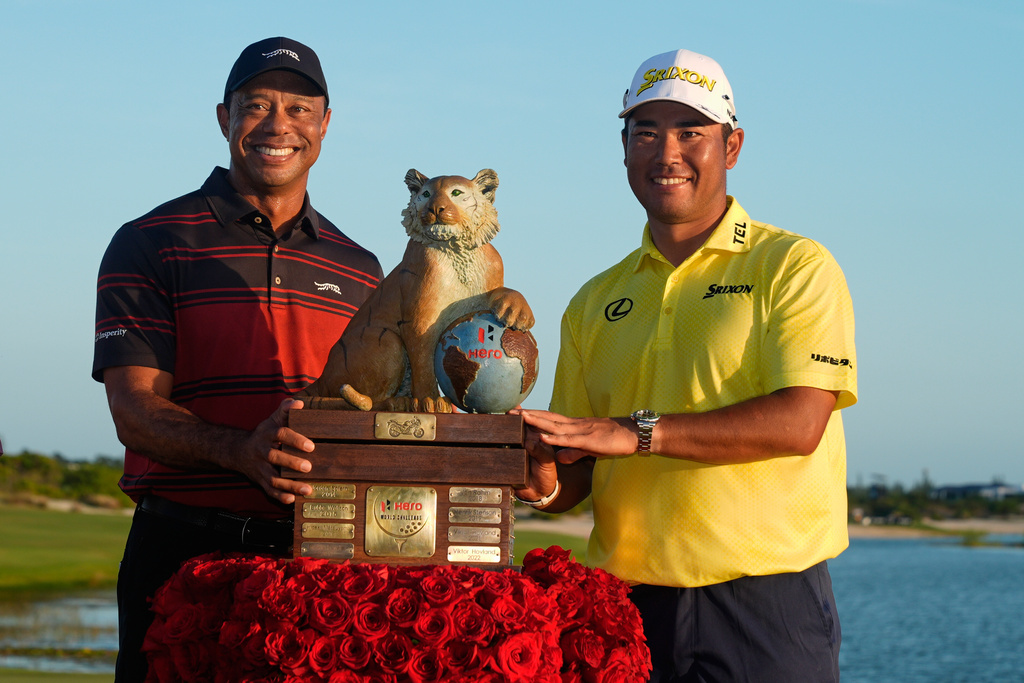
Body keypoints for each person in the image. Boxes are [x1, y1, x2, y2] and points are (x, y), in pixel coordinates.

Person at [513, 49, 857, 682]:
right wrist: (539, 479)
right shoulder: (594, 299)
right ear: (623, 150)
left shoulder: (795, 265)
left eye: (690, 132)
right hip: (626, 607)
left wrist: (638, 432)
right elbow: (576, 474)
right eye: (646, 132)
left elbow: (799, 422)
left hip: (768, 605)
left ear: (732, 147)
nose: (666, 152)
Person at [92, 37, 383, 681]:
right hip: (180, 551)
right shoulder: (150, 241)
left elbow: (380, 420)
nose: (279, 125)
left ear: (326, 124)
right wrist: (239, 451)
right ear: (224, 118)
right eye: (257, 104)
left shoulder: (361, 269)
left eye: (300, 108)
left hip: (318, 555)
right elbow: (134, 412)